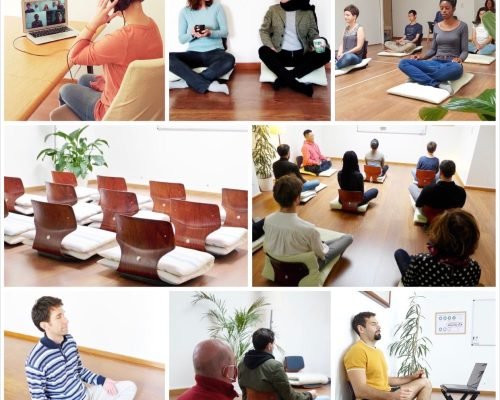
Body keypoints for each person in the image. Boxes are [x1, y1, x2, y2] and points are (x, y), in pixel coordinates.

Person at [59, 0, 163, 121]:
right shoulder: (151, 24)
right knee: (84, 79)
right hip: (141, 101)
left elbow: (73, 56)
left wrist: (94, 22)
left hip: (114, 112)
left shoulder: (121, 38)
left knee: (65, 90)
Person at [25, 296, 137, 399]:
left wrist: (103, 381)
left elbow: (78, 370)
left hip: (85, 395)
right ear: (45, 325)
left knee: (129, 387)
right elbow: (38, 397)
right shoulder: (35, 361)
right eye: (59, 317)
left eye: (64, 314)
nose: (66, 320)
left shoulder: (69, 340)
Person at [263, 175, 353, 267]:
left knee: (320, 242)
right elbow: (321, 255)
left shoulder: (267, 220)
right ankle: (322, 243)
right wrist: (323, 247)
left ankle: (321, 243)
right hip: (304, 268)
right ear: (297, 199)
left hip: (277, 264)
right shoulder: (309, 229)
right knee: (348, 237)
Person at [344, 312, 432, 399]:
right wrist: (391, 396)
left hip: (387, 392)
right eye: (373, 324)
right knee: (425, 383)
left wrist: (411, 377)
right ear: (361, 329)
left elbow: (384, 379)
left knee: (425, 382)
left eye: (377, 324)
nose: (379, 327)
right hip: (375, 397)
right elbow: (360, 391)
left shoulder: (378, 351)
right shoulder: (356, 351)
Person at [258, 0, 331, 97]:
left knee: (326, 52)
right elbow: (264, 31)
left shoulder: (307, 12)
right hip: (280, 55)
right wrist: (270, 46)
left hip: (301, 56)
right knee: (263, 50)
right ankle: (298, 86)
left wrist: (320, 42)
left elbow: (313, 34)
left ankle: (283, 80)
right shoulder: (273, 10)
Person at [394, 209, 481, 286]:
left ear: (437, 234)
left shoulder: (421, 260)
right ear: (472, 241)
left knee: (400, 253)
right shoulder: (474, 267)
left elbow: (407, 283)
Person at [399, 0, 468, 95]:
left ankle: (419, 77)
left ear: (454, 9)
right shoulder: (436, 26)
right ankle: (436, 84)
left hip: (451, 64)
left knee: (456, 69)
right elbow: (432, 50)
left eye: (447, 8)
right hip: (435, 62)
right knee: (403, 63)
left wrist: (460, 59)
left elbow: (464, 51)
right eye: (441, 8)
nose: (443, 10)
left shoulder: (463, 26)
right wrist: (421, 58)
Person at [169, 0, 235, 95]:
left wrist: (210, 33)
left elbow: (225, 32)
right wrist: (192, 34)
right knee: (169, 58)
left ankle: (187, 82)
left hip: (215, 52)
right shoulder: (185, 12)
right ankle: (209, 84)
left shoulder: (217, 7)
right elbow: (182, 39)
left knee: (230, 59)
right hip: (193, 53)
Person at [238, 328, 318, 400]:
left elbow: (244, 393)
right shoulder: (275, 366)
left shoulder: (242, 363)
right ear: (269, 346)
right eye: (273, 344)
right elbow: (291, 398)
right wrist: (310, 395)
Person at [336, 4, 365, 69]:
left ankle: (336, 66)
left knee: (348, 57)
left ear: (354, 16)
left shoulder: (360, 28)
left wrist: (345, 53)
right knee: (334, 54)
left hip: (354, 56)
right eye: (344, 15)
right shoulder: (345, 28)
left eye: (347, 15)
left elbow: (359, 47)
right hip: (344, 54)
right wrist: (339, 53)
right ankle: (338, 61)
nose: (345, 17)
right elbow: (342, 44)